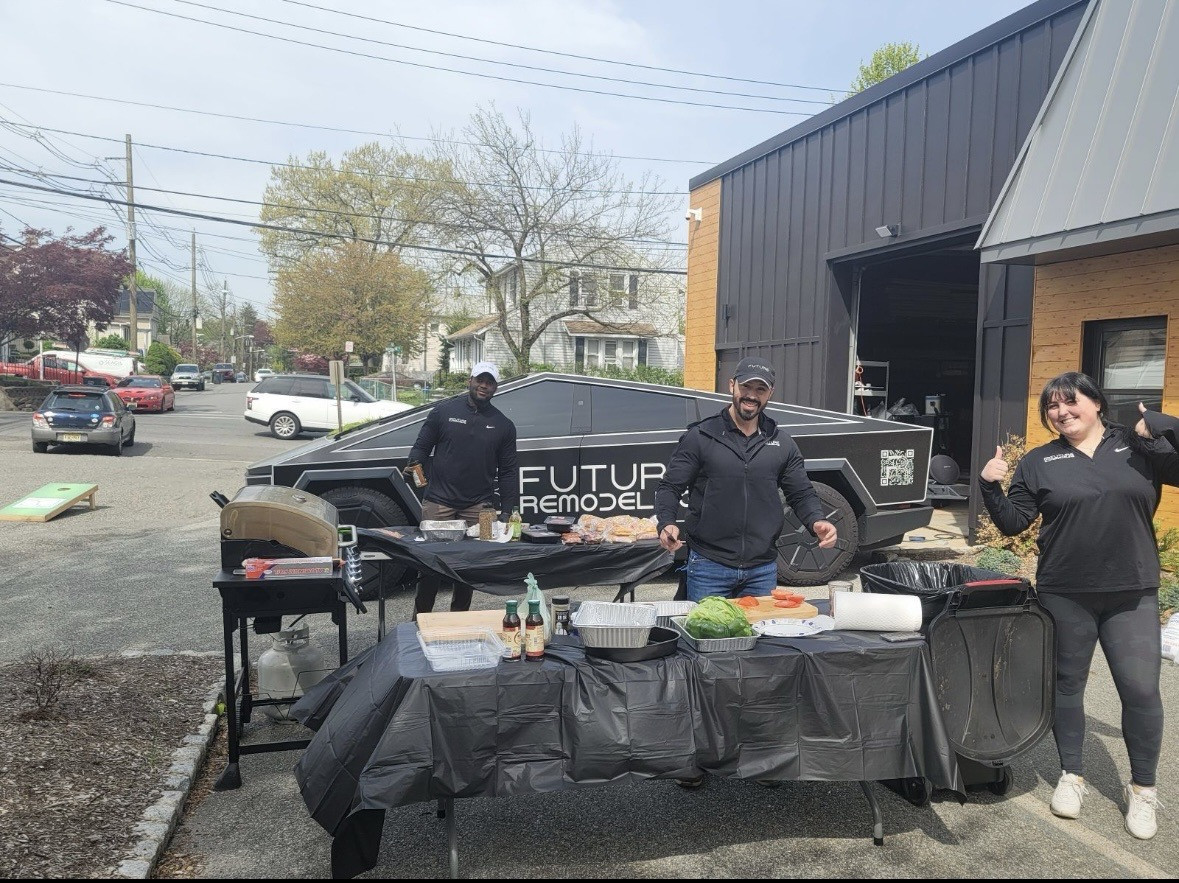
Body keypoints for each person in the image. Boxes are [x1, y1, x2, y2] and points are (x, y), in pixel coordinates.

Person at [979, 372, 1179, 840]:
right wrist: (991, 487)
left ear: (1096, 403)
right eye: (1052, 406)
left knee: (1141, 691)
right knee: (1067, 686)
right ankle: (1073, 774)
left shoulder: (1137, 446)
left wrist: (1167, 426)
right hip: (1063, 591)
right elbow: (1013, 524)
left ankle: (1143, 791)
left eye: (1071, 402)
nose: (1061, 412)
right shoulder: (1039, 461)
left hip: (1132, 591)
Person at [654, 357, 837, 602]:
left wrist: (817, 520)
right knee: (708, 636)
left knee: (760, 639)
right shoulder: (701, 436)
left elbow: (801, 492)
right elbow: (670, 486)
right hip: (710, 565)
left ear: (770, 393)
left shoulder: (782, 442)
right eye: (746, 387)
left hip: (762, 570)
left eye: (760, 389)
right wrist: (666, 522)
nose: (751, 395)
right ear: (732, 386)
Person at [404, 361, 519, 614]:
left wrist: (508, 510)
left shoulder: (504, 425)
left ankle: (460, 621)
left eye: (490, 382)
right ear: (470, 380)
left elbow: (509, 471)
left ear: (496, 387)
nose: (484, 386)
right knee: (430, 566)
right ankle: (420, 621)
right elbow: (422, 446)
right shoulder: (442, 412)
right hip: (438, 502)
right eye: (480, 380)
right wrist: (415, 463)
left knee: (470, 568)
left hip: (482, 507)